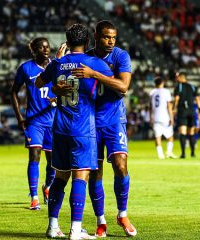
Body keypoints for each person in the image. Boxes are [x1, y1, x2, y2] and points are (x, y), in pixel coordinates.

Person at [36, 23, 113, 240]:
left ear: (67, 43)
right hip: (83, 128)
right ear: (88, 42)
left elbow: (38, 83)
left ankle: (52, 227)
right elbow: (118, 84)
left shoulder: (58, 63)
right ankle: (75, 230)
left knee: (60, 177)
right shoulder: (95, 63)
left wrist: (54, 85)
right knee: (81, 176)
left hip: (59, 128)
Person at [69, 20, 137, 237]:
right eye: (107, 37)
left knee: (121, 164)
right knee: (95, 173)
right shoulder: (86, 57)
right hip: (89, 123)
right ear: (96, 35)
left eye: (114, 37)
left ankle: (122, 214)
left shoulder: (120, 56)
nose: (111, 41)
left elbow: (124, 87)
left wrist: (95, 74)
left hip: (114, 120)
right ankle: (101, 220)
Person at [10, 37, 56, 210]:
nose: (45, 50)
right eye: (41, 47)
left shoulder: (56, 66)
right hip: (34, 121)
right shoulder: (26, 68)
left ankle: (48, 187)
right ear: (34, 50)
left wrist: (58, 98)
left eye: (47, 46)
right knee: (34, 155)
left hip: (54, 121)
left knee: (53, 162)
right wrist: (19, 117)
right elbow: (13, 92)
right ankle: (34, 197)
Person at [173, 72, 200, 158]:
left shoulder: (179, 87)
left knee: (183, 131)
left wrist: (174, 108)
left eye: (177, 77)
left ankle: (183, 153)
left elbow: (176, 98)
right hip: (192, 111)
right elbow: (198, 100)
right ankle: (193, 153)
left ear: (181, 78)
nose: (176, 79)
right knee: (191, 132)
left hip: (182, 111)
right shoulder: (193, 87)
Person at [149, 77, 177, 159]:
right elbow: (169, 106)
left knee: (157, 136)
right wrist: (171, 118)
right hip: (164, 116)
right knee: (170, 136)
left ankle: (160, 154)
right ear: (162, 83)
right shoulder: (166, 91)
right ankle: (169, 152)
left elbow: (150, 107)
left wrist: (151, 117)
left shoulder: (152, 92)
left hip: (155, 117)